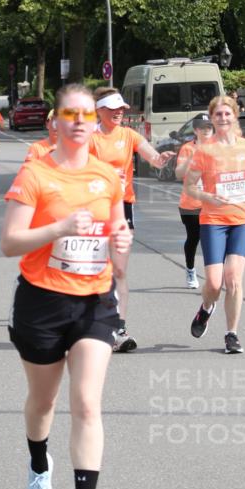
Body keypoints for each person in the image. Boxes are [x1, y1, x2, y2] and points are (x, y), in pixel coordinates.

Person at [1, 83, 132, 489]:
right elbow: (9, 242)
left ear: (96, 123)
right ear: (54, 122)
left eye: (86, 114)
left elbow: (117, 249)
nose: (79, 121)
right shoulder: (35, 174)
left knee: (88, 403)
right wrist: (58, 227)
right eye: (69, 113)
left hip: (94, 302)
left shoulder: (109, 177)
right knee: (43, 403)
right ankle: (39, 465)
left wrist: (121, 247)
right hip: (42, 301)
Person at [90, 89, 175, 352]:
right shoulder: (89, 138)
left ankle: (119, 329)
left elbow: (151, 155)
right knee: (94, 270)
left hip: (122, 208)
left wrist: (160, 160)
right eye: (113, 108)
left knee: (119, 271)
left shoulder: (129, 135)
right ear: (99, 110)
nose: (119, 113)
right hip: (92, 210)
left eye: (122, 109)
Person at [184, 95, 245, 354]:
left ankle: (232, 334)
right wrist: (207, 196)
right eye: (218, 115)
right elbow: (189, 186)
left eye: (227, 114)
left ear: (235, 116)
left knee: (233, 279)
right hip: (213, 220)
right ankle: (207, 308)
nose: (223, 118)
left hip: (242, 217)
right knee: (213, 282)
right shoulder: (205, 150)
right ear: (212, 118)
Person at [175, 112, 214, 289]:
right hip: (190, 205)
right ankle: (190, 270)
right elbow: (179, 173)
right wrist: (195, 155)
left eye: (209, 128)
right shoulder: (187, 148)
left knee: (212, 240)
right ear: (196, 130)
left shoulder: (218, 148)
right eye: (202, 128)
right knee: (194, 238)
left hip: (212, 204)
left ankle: (213, 277)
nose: (206, 131)